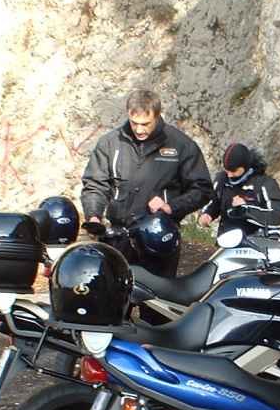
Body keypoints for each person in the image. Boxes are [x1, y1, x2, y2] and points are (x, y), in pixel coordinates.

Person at [81, 89, 212, 276]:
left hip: (159, 238)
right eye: (134, 123)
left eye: (145, 124)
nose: (139, 130)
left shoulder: (181, 145)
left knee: (156, 295)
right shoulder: (110, 143)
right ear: (128, 114)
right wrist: (93, 216)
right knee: (112, 291)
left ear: (157, 116)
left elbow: (202, 189)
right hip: (117, 239)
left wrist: (170, 207)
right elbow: (95, 184)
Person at [198, 143, 280, 237]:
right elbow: (212, 203)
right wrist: (206, 215)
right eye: (227, 170)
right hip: (227, 240)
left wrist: (246, 209)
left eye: (234, 171)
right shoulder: (222, 179)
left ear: (245, 166)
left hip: (256, 241)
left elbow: (279, 217)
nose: (229, 175)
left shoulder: (264, 184)